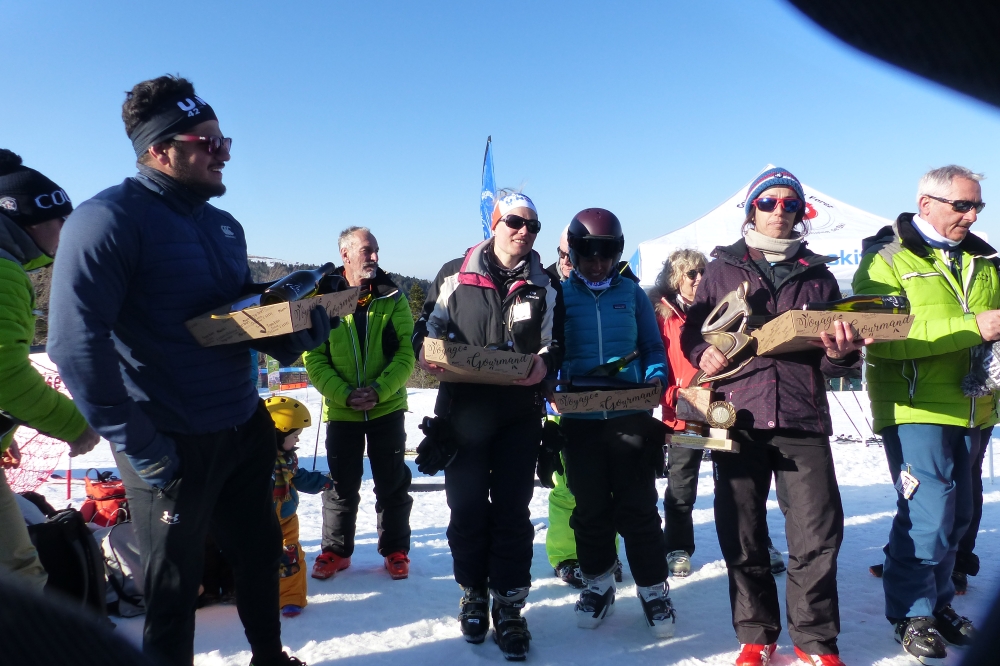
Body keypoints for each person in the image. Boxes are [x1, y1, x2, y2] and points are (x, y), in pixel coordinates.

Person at [47, 75, 328, 666]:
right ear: (158, 149)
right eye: (207, 141)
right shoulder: (106, 221)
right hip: (167, 441)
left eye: (224, 138)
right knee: (175, 587)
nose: (223, 151)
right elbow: (75, 347)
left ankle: (269, 657)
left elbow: (235, 317)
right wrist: (141, 446)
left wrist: (297, 330)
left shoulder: (223, 225)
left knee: (258, 556)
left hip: (241, 426)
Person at [683, 167, 865, 666]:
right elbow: (693, 333)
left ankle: (814, 640)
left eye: (791, 204)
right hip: (737, 415)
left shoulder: (819, 274)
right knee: (741, 532)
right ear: (752, 208)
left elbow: (831, 361)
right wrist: (702, 353)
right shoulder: (721, 268)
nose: (780, 212)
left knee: (818, 533)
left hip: (802, 418)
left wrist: (844, 353)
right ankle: (756, 634)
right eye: (770, 202)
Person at [853, 164, 998, 663]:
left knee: (959, 517)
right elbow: (885, 338)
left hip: (974, 406)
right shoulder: (884, 261)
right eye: (962, 204)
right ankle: (911, 612)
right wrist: (973, 326)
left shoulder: (986, 262)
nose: (973, 214)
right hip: (913, 407)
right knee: (928, 513)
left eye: (978, 205)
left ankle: (936, 605)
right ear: (927, 205)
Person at [413, 190, 562, 661]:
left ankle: (511, 605)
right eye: (515, 222)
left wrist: (544, 366)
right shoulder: (454, 273)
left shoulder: (545, 283)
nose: (524, 232)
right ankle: (474, 591)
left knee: (513, 511)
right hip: (463, 410)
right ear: (493, 224)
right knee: (467, 507)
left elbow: (554, 342)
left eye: (532, 226)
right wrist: (427, 352)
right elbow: (426, 328)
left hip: (519, 412)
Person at [556, 208, 676, 638]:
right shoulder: (560, 294)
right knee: (590, 509)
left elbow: (651, 347)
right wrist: (555, 383)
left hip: (629, 416)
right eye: (588, 255)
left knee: (638, 507)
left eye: (606, 256)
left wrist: (655, 378)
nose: (597, 265)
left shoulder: (631, 293)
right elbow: (549, 352)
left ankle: (652, 588)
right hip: (582, 419)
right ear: (574, 252)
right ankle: (598, 584)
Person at [0, 149, 100, 592]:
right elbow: (5, 375)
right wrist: (75, 425)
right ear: (23, 219)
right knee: (19, 578)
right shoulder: (3, 272)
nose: (66, 232)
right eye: (59, 220)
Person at [304, 226, 415, 581]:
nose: (375, 257)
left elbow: (407, 352)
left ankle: (396, 550)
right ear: (345, 255)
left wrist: (380, 390)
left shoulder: (392, 294)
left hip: (386, 407)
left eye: (376, 250)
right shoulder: (322, 298)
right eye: (367, 250)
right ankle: (335, 552)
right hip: (342, 410)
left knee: (392, 482)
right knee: (339, 485)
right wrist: (344, 394)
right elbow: (314, 357)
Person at [647, 249, 706, 578]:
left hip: (727, 408)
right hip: (687, 410)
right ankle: (678, 547)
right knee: (682, 484)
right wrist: (671, 395)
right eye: (691, 274)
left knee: (739, 482)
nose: (698, 279)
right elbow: (655, 361)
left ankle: (756, 543)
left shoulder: (719, 309)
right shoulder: (662, 315)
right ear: (675, 278)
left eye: (702, 272)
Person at [265, 396, 332, 617]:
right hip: (257, 523)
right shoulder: (253, 464)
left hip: (286, 520)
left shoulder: (288, 460)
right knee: (255, 560)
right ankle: (252, 595)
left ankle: (291, 598)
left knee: (289, 556)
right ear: (277, 434)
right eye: (294, 436)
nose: (296, 441)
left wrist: (323, 482)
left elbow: (299, 478)